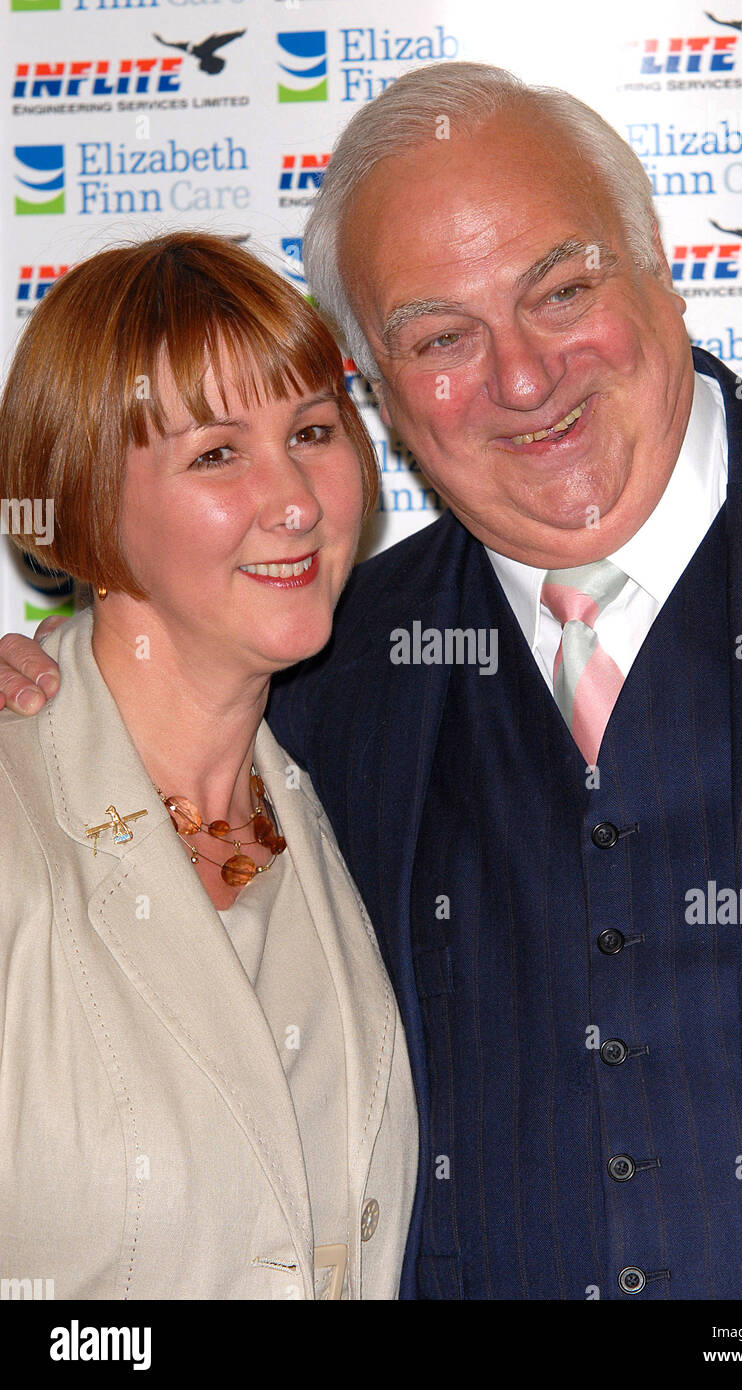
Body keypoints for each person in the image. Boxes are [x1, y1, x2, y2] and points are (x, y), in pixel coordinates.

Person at [4, 63, 742, 1301]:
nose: (523, 378)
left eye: (563, 288)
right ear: (384, 381)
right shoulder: (327, 675)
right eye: (439, 338)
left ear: (660, 263)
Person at [0, 231, 417, 1300]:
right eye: (217, 454)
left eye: (314, 431)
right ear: (82, 494)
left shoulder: (336, 794)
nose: (296, 500)